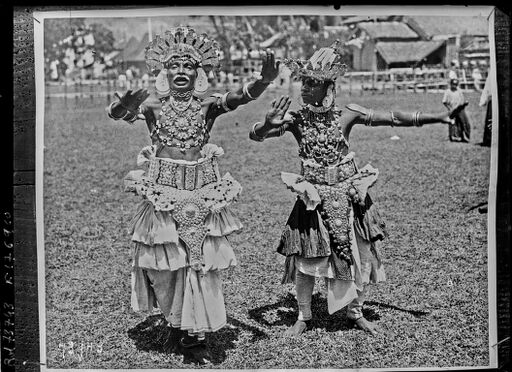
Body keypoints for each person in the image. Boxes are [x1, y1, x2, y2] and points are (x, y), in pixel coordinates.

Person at [249, 41, 457, 337]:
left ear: (328, 87)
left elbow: (394, 118)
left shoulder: (347, 115)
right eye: (303, 84)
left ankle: (355, 313)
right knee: (307, 261)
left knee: (362, 257)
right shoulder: (296, 119)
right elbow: (257, 136)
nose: (304, 89)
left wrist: (435, 117)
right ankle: (304, 316)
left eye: (312, 84)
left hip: (350, 197)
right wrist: (265, 124)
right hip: (314, 199)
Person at [106, 27, 279, 364]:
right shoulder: (153, 105)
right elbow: (118, 115)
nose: (182, 71)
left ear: (198, 72)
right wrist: (122, 104)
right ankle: (175, 320)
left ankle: (193, 335)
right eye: (175, 66)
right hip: (162, 193)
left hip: (201, 192)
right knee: (166, 265)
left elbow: (243, 96)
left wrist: (264, 80)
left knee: (197, 263)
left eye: (188, 66)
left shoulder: (208, 105)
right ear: (164, 71)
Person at [442, 78, 470, 142]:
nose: (455, 86)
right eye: (453, 84)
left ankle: (463, 137)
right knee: (452, 123)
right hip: (452, 109)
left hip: (460, 109)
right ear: (451, 84)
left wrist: (465, 103)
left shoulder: (459, 91)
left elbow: (462, 100)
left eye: (456, 84)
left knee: (462, 122)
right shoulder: (447, 91)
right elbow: (444, 101)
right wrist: (449, 108)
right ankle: (450, 137)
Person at [479, 72, 493, 147]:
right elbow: (487, 86)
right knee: (491, 120)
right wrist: (483, 100)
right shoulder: (492, 73)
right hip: (493, 99)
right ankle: (489, 139)